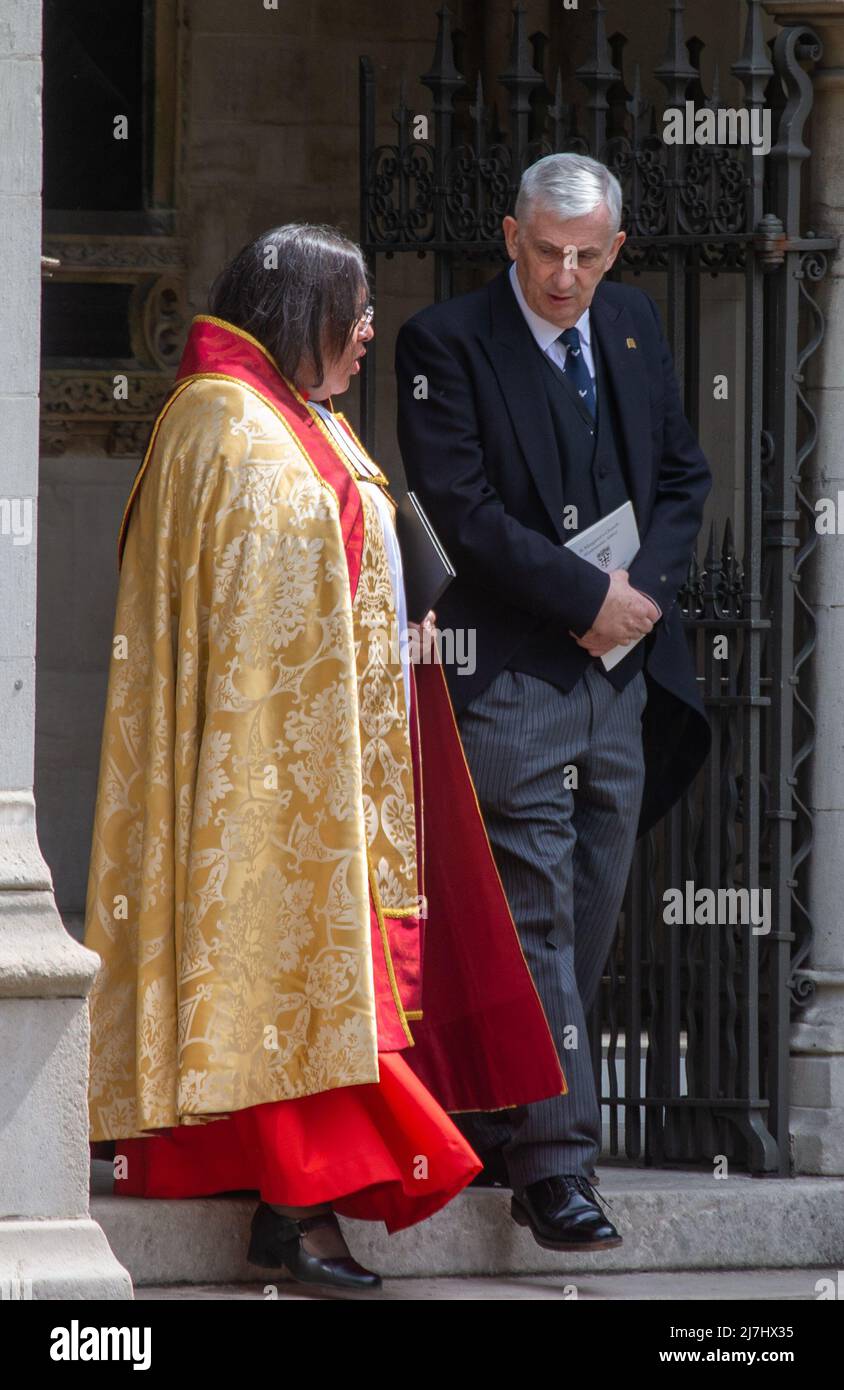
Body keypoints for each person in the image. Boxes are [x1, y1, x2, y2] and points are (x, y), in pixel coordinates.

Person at [83, 223, 566, 1292]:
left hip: (331, 756)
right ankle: (292, 1210)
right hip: (267, 769)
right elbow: (259, 624)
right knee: (290, 972)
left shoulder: (294, 413)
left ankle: (282, 1199)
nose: (364, 336)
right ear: (293, 316)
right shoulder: (227, 428)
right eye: (348, 316)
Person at [395, 154, 712, 1253]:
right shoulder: (445, 343)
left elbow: (680, 479)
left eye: (586, 255)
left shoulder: (629, 324)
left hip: (617, 685)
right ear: (509, 236)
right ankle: (556, 1166)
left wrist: (633, 604)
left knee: (583, 910)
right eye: (545, 252)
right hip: (512, 677)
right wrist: (582, 598)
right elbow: (461, 509)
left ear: (614, 250)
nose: (564, 275)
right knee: (533, 907)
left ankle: (498, 1103)